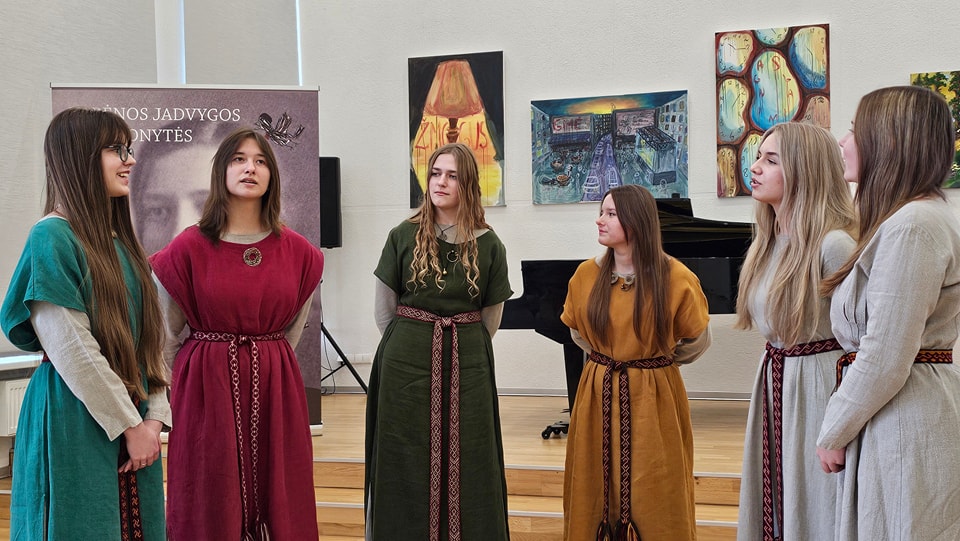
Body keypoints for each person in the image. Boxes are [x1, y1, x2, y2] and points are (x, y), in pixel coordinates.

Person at [1, 107, 169, 540]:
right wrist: (131, 425)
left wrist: (153, 420)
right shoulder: (52, 236)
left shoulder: (122, 244)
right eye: (116, 150)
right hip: (73, 413)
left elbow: (150, 344)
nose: (130, 160)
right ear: (79, 157)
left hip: (132, 417)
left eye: (128, 149)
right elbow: (72, 348)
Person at [150, 128, 323, 540]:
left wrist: (262, 362)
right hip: (206, 390)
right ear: (221, 172)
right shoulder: (188, 248)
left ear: (272, 175)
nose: (250, 168)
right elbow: (166, 335)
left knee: (280, 492)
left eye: (261, 161)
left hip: (275, 388)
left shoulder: (299, 252)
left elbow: (291, 332)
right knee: (209, 491)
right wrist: (194, 382)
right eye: (239, 159)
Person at [816, 85, 960, 539]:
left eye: (854, 130)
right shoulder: (915, 218)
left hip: (904, 417)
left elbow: (885, 353)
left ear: (890, 140)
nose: (843, 141)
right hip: (899, 410)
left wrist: (833, 429)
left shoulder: (912, 226)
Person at [366, 142, 512, 541]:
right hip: (405, 365)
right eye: (435, 173)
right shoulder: (402, 235)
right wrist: (413, 346)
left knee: (471, 452)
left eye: (452, 176)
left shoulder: (490, 244)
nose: (440, 182)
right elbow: (384, 312)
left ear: (468, 184)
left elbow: (490, 317)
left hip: (468, 365)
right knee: (404, 452)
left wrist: (458, 347)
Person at [561, 184, 712, 541]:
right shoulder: (586, 275)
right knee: (593, 481)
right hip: (597, 394)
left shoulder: (676, 277)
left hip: (653, 397)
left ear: (636, 221)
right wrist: (611, 359)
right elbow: (577, 331)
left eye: (611, 214)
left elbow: (697, 340)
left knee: (656, 484)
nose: (600, 220)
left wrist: (654, 364)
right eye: (602, 212)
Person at [734, 122, 856, 540]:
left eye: (771, 160)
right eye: (758, 157)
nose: (755, 167)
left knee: (814, 502)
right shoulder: (766, 243)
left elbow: (862, 342)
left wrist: (842, 424)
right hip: (775, 379)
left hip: (817, 388)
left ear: (806, 171)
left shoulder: (834, 245)